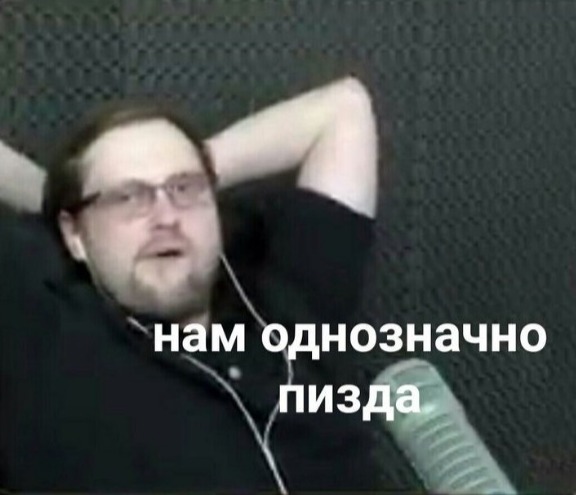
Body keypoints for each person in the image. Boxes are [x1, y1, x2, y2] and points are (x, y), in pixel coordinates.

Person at [0, 77, 383, 492]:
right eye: (127, 198)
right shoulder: (41, 330)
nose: (166, 217)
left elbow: (343, 109)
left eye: (185, 189)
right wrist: (59, 199)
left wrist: (189, 170)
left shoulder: (287, 295)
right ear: (72, 234)